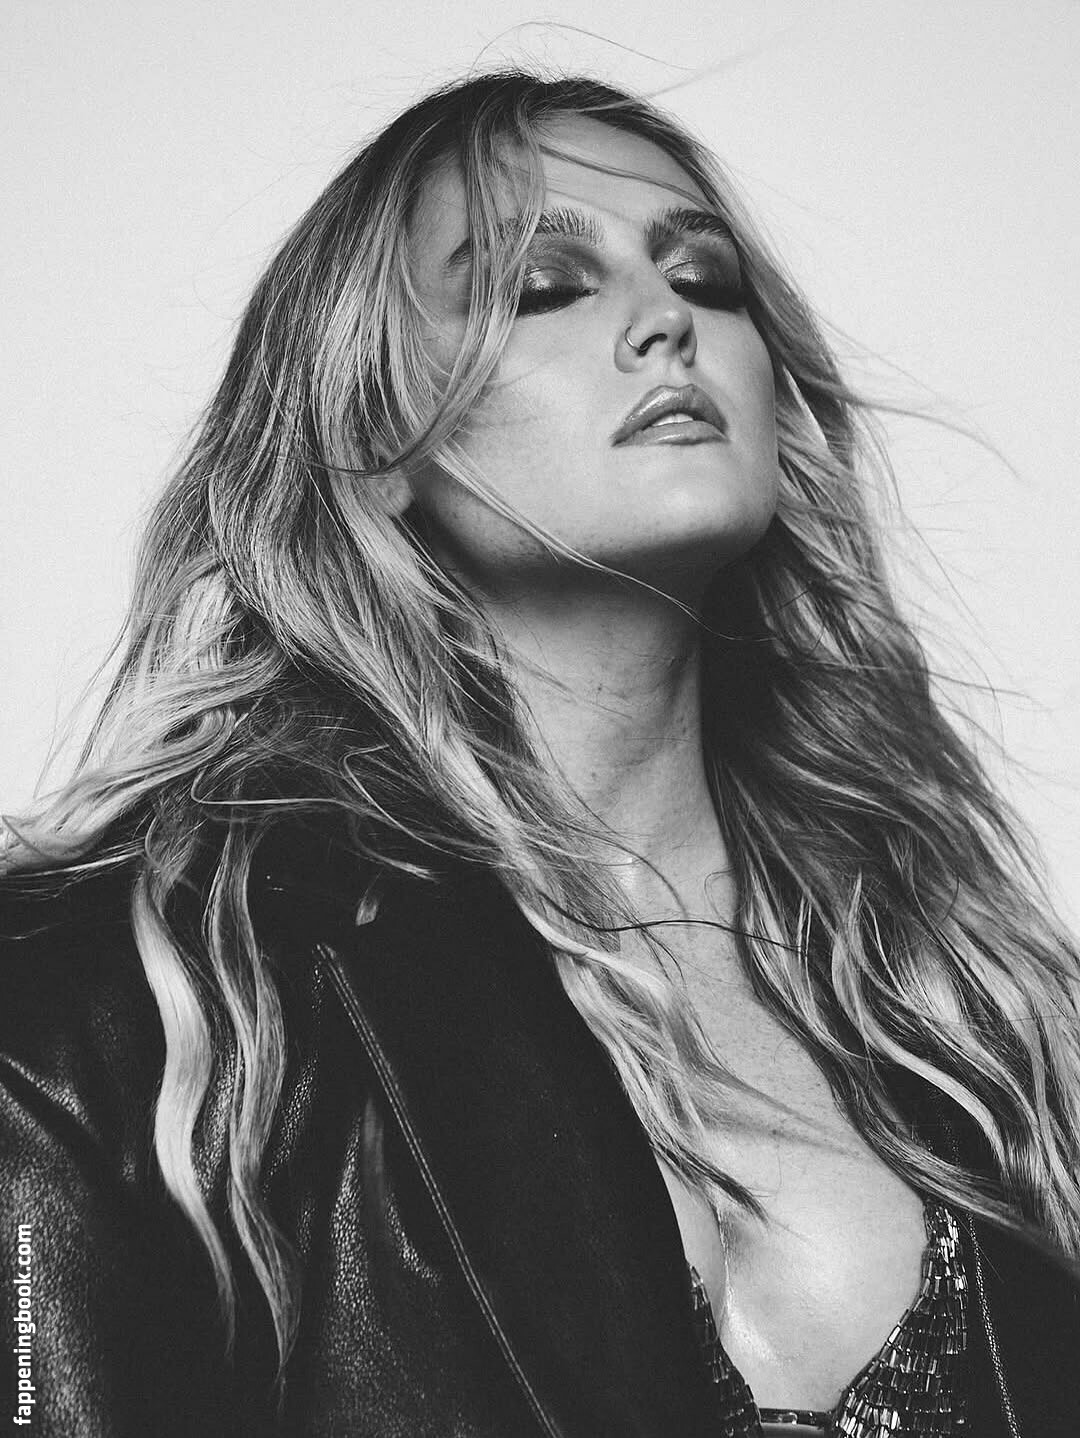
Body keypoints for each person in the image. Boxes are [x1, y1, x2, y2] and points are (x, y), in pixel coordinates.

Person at [1, 70, 1078, 1438]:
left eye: (707, 279)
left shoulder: (973, 1015)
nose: (667, 321)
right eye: (545, 288)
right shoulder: (132, 1010)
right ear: (373, 435)